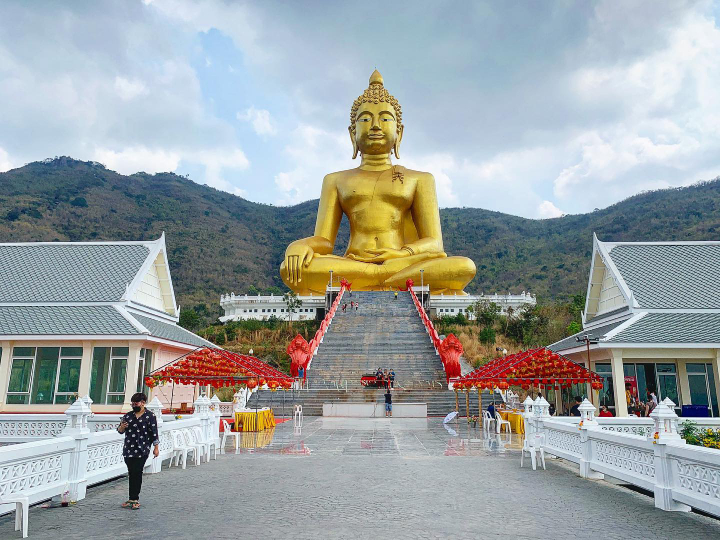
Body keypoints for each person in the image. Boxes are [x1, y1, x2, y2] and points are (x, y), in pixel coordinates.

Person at [117, 392, 159, 510]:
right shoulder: (128, 416)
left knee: (137, 471)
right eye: (133, 404)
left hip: (143, 449)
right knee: (131, 472)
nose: (134, 405)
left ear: (143, 403)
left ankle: (135, 498)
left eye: (136, 403)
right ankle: (131, 498)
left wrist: (156, 448)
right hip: (129, 448)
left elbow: (154, 433)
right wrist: (122, 427)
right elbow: (120, 431)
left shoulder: (150, 416)